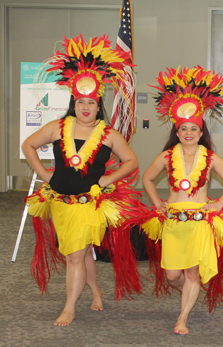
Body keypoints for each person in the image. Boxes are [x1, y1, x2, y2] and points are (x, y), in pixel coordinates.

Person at [22, 34, 142, 326]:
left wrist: (108, 178)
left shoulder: (109, 134)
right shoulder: (56, 127)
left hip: (89, 206)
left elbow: (133, 162)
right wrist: (42, 173)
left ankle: (69, 307)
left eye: (91, 103)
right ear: (74, 103)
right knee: (81, 253)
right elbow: (28, 145)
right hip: (59, 203)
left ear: (99, 104)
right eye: (80, 102)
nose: (86, 108)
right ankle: (96, 291)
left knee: (75, 256)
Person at [139, 66, 223, 335]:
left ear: (201, 132)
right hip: (173, 223)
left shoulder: (210, 157)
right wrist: (157, 202)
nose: (189, 133)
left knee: (192, 274)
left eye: (194, 128)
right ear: (177, 133)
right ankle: (189, 293)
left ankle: (183, 317)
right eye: (183, 129)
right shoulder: (167, 157)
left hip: (200, 221)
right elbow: (146, 178)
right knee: (172, 276)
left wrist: (219, 204)